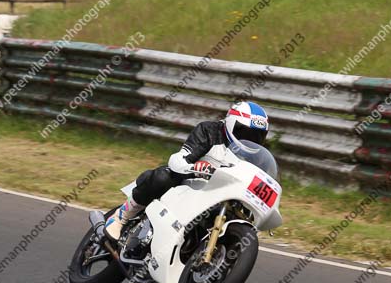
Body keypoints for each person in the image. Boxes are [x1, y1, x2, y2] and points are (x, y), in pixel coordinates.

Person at [104, 101, 270, 241]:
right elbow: (178, 159)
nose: (250, 140)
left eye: (257, 136)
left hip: (220, 197)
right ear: (230, 123)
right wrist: (194, 167)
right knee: (163, 176)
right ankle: (121, 216)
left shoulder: (257, 157)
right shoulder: (210, 131)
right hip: (189, 183)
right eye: (245, 133)